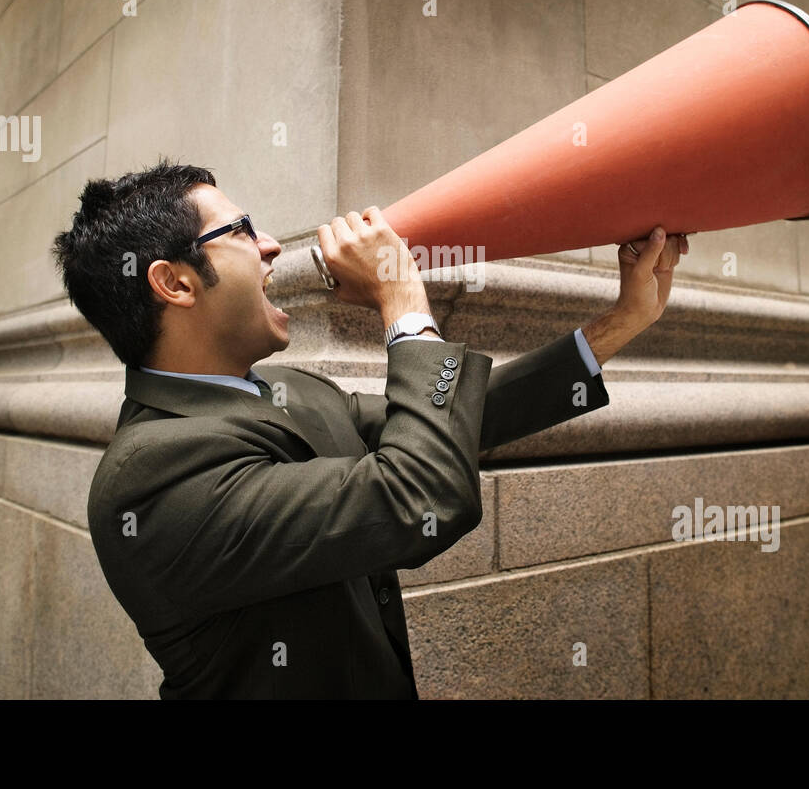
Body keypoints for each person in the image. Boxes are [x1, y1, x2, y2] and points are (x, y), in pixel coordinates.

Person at [51, 159, 686, 698]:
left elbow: (448, 421)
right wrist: (402, 305)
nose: (270, 244)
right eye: (241, 231)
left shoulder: (288, 390)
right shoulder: (150, 481)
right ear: (175, 282)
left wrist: (622, 323)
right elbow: (419, 495)